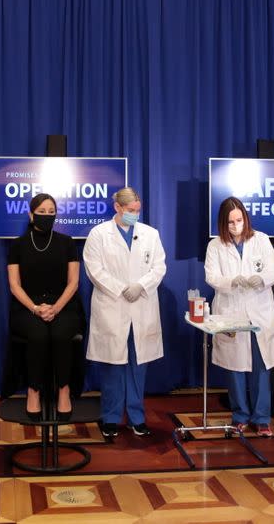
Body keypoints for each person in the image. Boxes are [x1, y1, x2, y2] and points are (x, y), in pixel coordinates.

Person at [83, 187, 166, 438]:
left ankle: (136, 417)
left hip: (141, 305)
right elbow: (94, 270)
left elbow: (159, 266)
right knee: (113, 367)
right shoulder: (98, 234)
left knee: (137, 365)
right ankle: (110, 418)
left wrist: (140, 286)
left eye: (137, 211)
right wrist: (121, 289)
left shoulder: (150, 234)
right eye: (130, 211)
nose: (135, 215)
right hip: (113, 307)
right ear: (117, 208)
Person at [204, 197, 274, 436]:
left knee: (261, 366)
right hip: (231, 309)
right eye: (230, 222)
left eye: (239, 220)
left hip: (259, 310)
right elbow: (211, 276)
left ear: (245, 218)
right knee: (235, 367)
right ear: (222, 223)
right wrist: (231, 281)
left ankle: (262, 419)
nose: (235, 225)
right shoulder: (216, 246)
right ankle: (239, 416)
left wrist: (262, 279)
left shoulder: (261, 240)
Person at [7, 193, 84, 421]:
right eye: (42, 212)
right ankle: (34, 391)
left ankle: (64, 390)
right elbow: (14, 285)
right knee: (38, 335)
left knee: (61, 335)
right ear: (31, 215)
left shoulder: (67, 242)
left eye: (52, 212)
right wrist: (35, 308)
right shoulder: (18, 244)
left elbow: (74, 282)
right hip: (27, 306)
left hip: (63, 305)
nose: (47, 216)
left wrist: (56, 308)